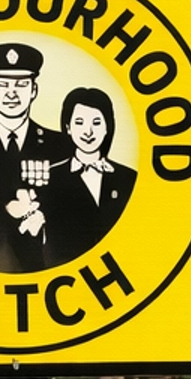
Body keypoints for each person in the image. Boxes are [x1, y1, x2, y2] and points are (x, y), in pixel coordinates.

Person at [0, 43, 73, 272]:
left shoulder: (60, 146)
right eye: (2, 84)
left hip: (51, 267)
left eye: (21, 84)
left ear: (34, 90)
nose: (11, 93)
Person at [41, 87, 137, 264]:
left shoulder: (128, 179)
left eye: (96, 122)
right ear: (68, 127)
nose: (88, 131)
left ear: (108, 126)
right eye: (79, 122)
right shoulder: (50, 179)